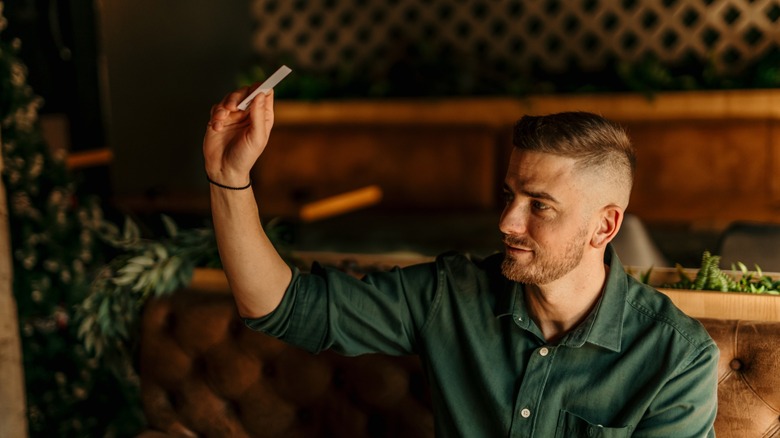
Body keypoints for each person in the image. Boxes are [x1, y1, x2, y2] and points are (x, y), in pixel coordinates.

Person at [203, 86, 719, 437]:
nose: (508, 222)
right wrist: (229, 175)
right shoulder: (451, 294)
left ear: (604, 227)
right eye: (509, 195)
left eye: (539, 205)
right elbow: (278, 306)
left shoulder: (677, 358)